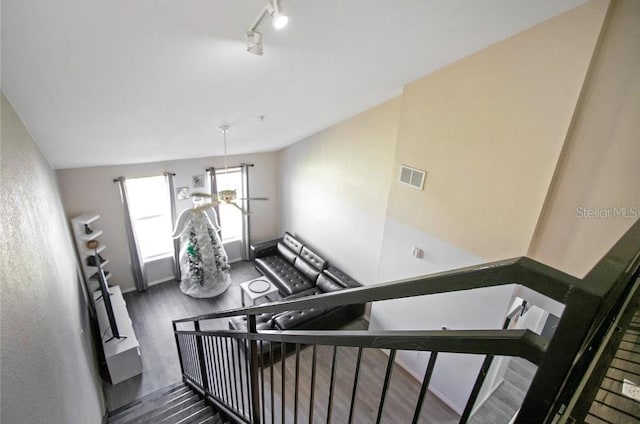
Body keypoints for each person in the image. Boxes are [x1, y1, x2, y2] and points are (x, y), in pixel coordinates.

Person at [172, 196, 231, 298]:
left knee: (213, 258)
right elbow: (184, 231)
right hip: (198, 241)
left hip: (207, 239)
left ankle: (214, 279)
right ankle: (201, 282)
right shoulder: (190, 214)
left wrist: (215, 228)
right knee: (196, 260)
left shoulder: (206, 212)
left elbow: (214, 226)